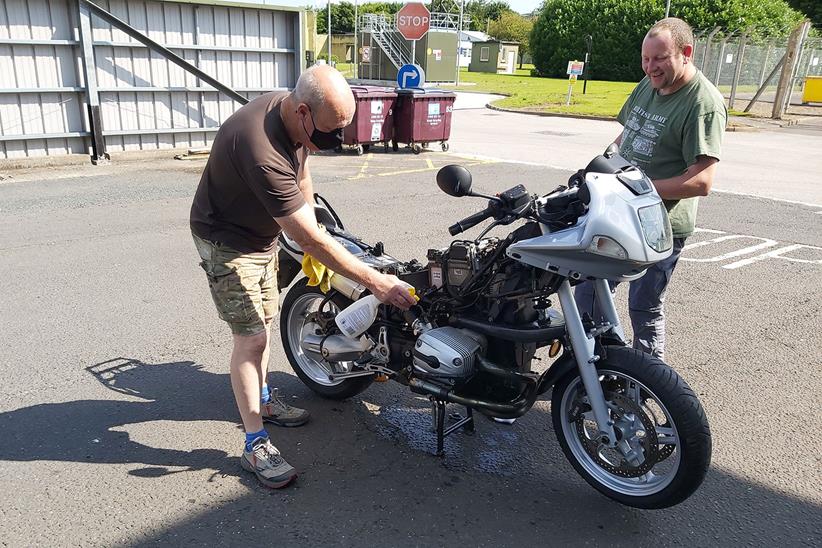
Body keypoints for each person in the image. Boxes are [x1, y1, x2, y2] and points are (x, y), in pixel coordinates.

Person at [190, 65, 417, 489]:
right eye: (329, 132)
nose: (333, 142)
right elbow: (308, 239)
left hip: (262, 237)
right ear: (301, 112)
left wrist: (312, 216)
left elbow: (304, 169)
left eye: (341, 132)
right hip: (227, 242)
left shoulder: (294, 117)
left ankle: (263, 399)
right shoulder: (260, 149)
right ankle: (254, 443)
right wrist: (374, 281)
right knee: (252, 337)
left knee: (268, 320)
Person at [575, 17, 727, 360]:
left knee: (644, 307)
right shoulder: (649, 84)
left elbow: (701, 181)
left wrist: (634, 190)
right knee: (589, 291)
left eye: (659, 58)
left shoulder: (703, 104)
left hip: (660, 226)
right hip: (619, 214)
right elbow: (626, 136)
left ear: (685, 53)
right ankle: (607, 368)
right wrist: (596, 171)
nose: (650, 67)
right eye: (645, 59)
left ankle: (646, 381)